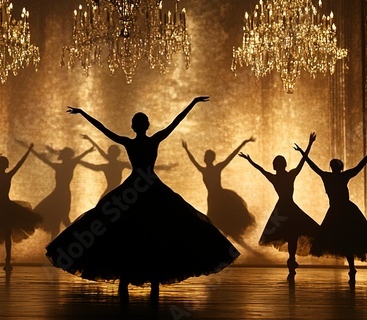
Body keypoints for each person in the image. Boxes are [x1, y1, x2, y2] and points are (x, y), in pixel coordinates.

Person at [47, 97, 238, 301]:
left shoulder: (129, 142)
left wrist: (83, 113)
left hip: (133, 188)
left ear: (133, 126)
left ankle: (125, 276)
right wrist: (193, 102)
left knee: (123, 229)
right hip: (152, 187)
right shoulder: (153, 140)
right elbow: (176, 122)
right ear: (147, 126)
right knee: (158, 229)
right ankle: (153, 278)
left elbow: (103, 129)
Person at [294, 134, 367, 284]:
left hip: (339, 211)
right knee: (347, 239)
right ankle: (351, 267)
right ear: (340, 168)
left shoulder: (327, 176)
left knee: (344, 239)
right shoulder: (341, 176)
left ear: (333, 167)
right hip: (345, 211)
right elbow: (358, 168)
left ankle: (352, 267)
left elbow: (312, 165)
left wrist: (303, 151)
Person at [240, 132, 321, 279]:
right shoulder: (288, 175)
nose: (272, 165)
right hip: (290, 208)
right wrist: (309, 144)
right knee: (293, 235)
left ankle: (291, 260)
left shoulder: (275, 178)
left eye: (274, 163)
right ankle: (291, 260)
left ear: (278, 166)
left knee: (290, 235)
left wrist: (249, 160)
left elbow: (260, 169)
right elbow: (302, 161)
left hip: (282, 209)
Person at [0, 143, 43, 272]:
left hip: (2, 207)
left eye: (2, 164)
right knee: (5, 234)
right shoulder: (1, 175)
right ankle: (7, 260)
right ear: (1, 165)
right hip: (2, 207)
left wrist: (29, 151)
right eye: (1, 164)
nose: (2, 166)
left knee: (6, 233)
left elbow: (19, 164)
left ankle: (8, 260)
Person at [181, 136, 256, 247]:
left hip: (221, 198)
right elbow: (193, 161)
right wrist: (186, 149)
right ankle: (221, 247)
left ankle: (218, 248)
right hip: (212, 199)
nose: (205, 158)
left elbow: (231, 156)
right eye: (205, 156)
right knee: (216, 224)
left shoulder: (217, 168)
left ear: (212, 158)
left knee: (216, 224)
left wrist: (244, 142)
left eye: (207, 156)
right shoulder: (203, 170)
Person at [18, 138, 95, 236]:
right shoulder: (65, 165)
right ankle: (71, 236)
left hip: (62, 195)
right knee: (56, 218)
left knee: (62, 218)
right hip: (58, 195)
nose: (62, 156)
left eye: (64, 155)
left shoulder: (68, 165)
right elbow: (42, 158)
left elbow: (79, 157)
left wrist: (88, 151)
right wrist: (30, 149)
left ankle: (79, 234)